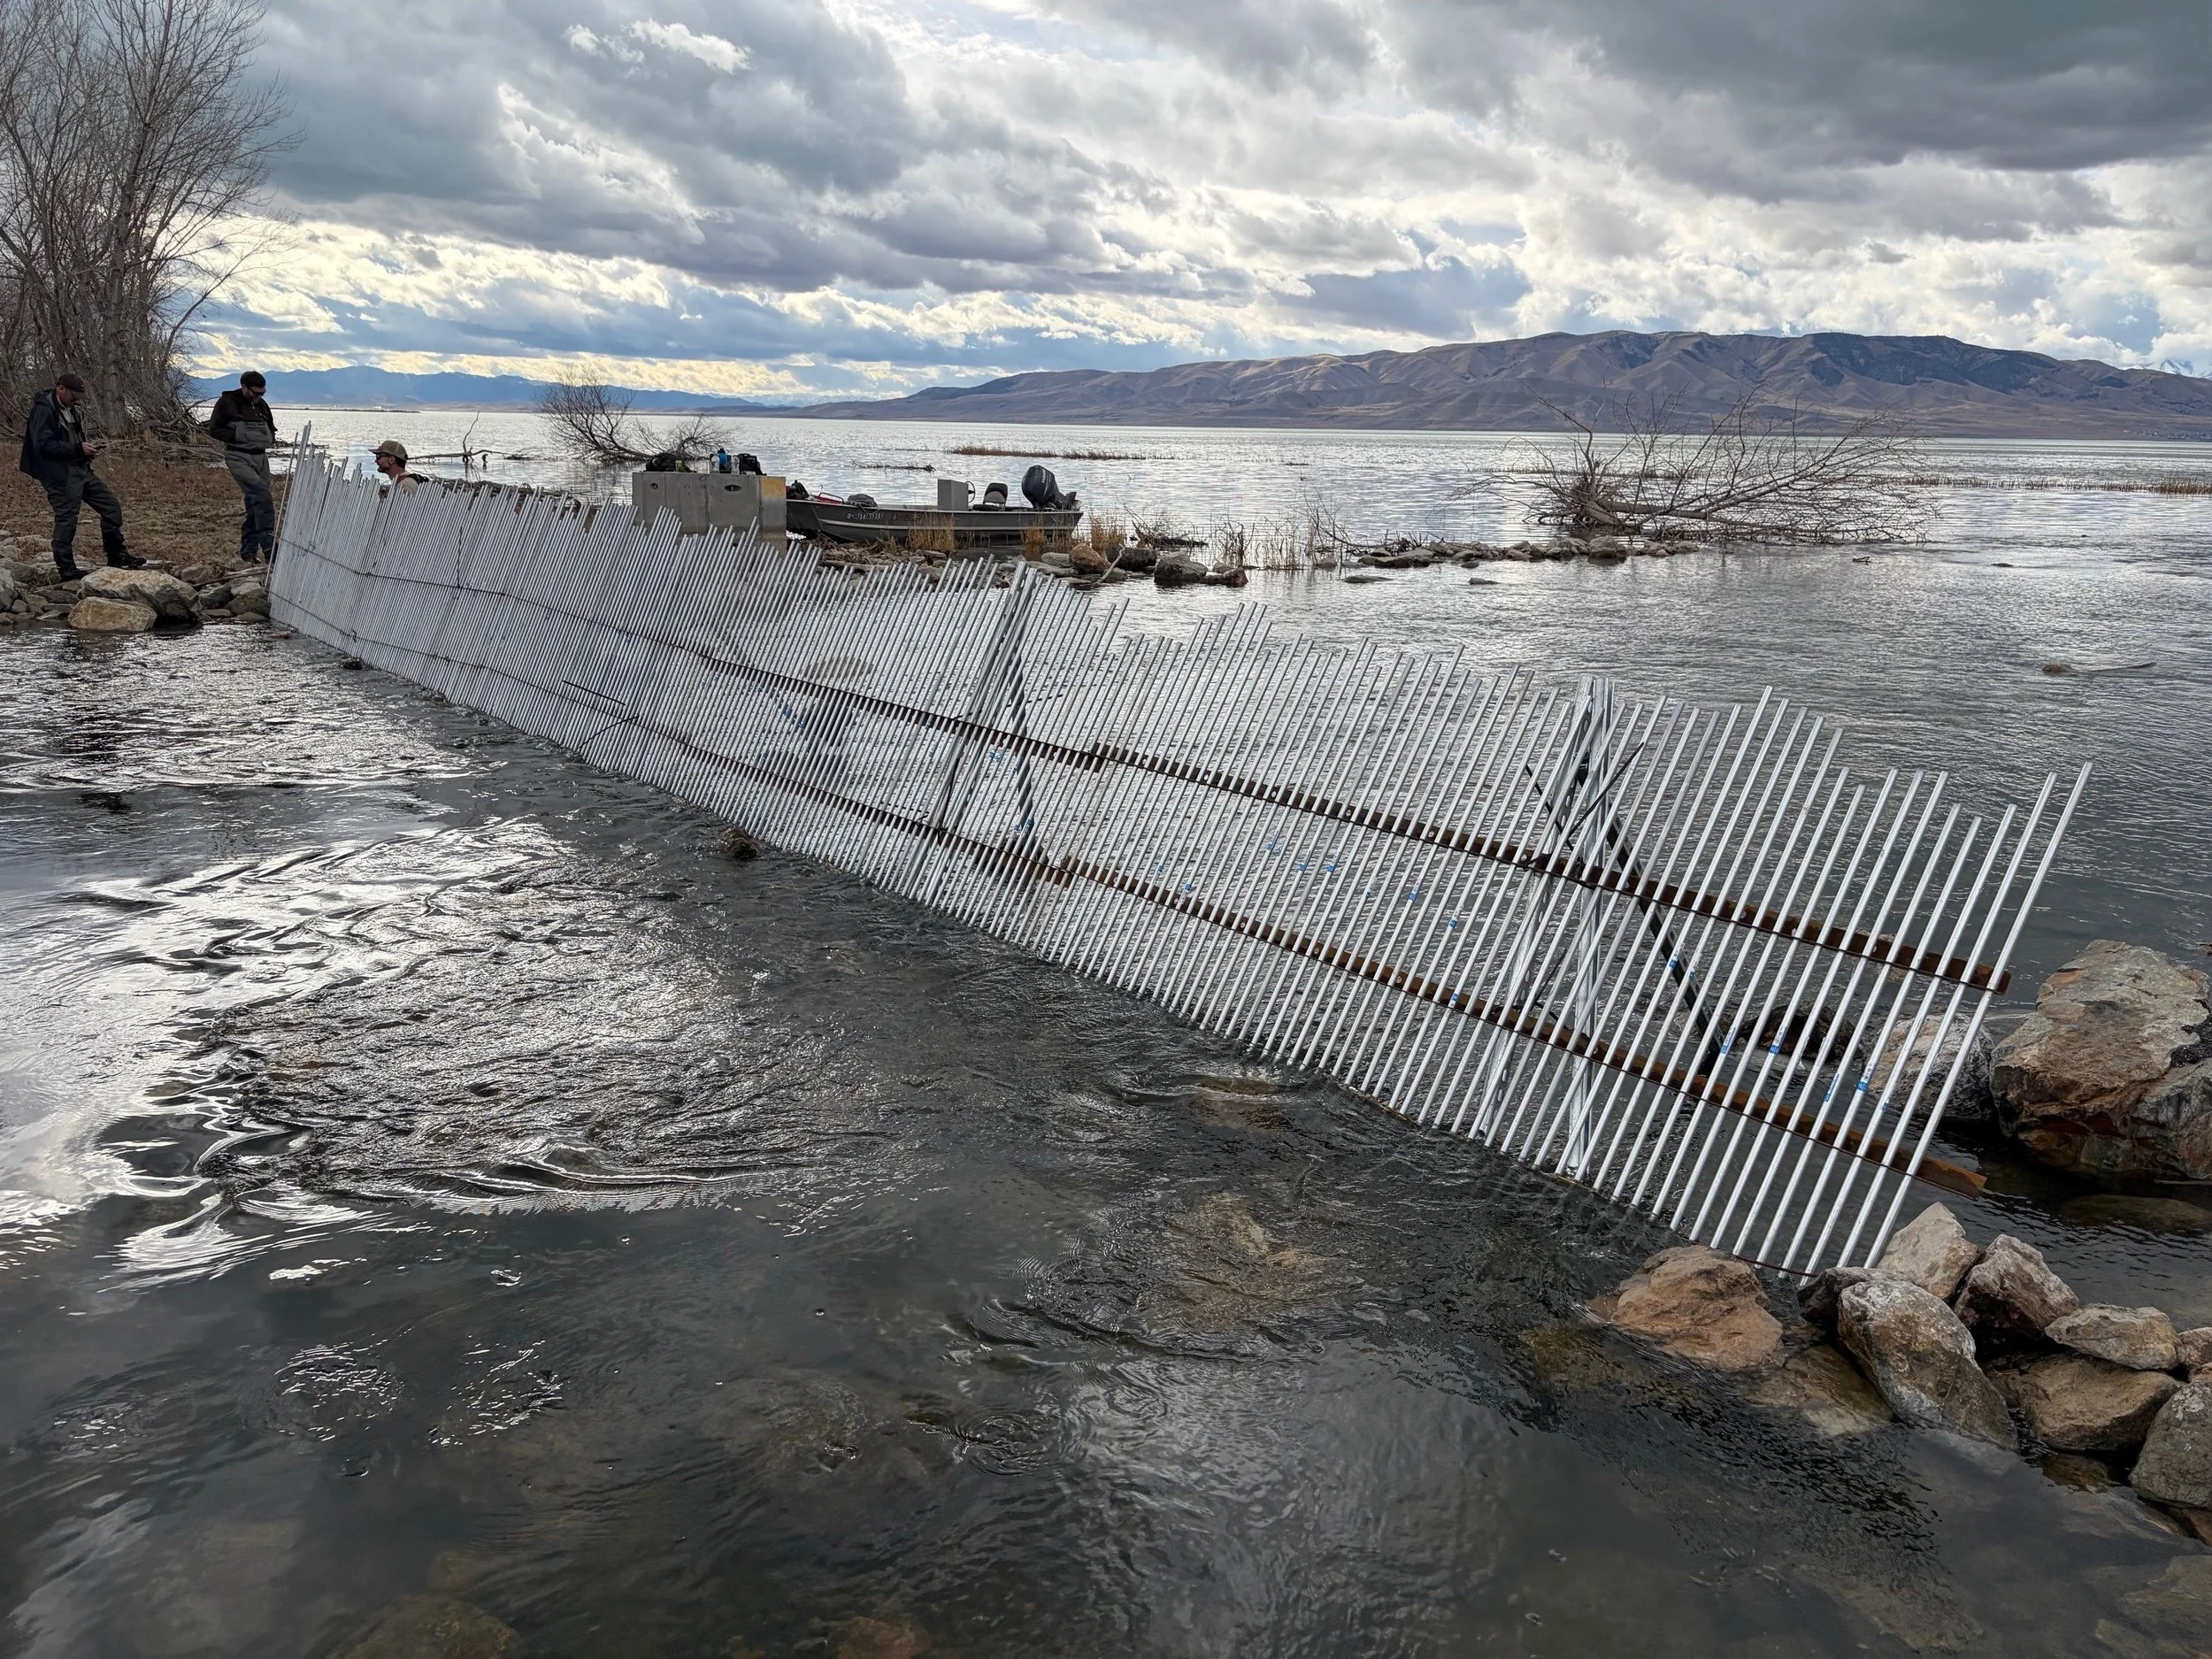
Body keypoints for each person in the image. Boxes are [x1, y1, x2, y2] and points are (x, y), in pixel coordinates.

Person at [16, 372, 142, 580]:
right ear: (60, 388)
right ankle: (66, 569)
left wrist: (85, 449)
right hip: (58, 476)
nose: (76, 401)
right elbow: (42, 446)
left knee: (111, 507)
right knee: (67, 520)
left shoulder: (68, 408)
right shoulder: (44, 410)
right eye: (73, 396)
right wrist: (77, 449)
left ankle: (116, 555)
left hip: (81, 470)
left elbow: (71, 440)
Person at [205, 370, 279, 562]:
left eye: (262, 393)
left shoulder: (261, 405)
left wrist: (269, 438)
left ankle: (248, 552)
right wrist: (238, 435)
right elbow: (214, 429)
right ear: (244, 387)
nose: (258, 397)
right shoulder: (227, 403)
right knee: (262, 495)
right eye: (255, 393)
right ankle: (270, 548)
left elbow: (270, 427)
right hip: (238, 457)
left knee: (255, 503)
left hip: (260, 458)